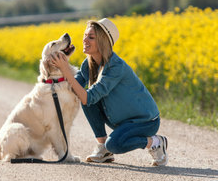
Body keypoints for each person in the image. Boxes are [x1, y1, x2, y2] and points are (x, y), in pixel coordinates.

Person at [52, 18, 168, 166]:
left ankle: (156, 142)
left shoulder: (115, 67)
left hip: (145, 122)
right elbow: (72, 87)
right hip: (121, 121)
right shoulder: (88, 64)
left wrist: (65, 70)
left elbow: (88, 97)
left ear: (103, 41)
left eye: (91, 37)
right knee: (83, 94)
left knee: (114, 144)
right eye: (85, 35)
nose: (84, 40)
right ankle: (103, 149)